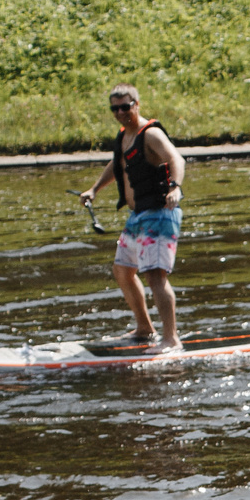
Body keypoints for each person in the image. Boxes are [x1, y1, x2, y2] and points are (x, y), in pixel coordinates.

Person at [78, 85, 186, 348]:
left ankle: (171, 339)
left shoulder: (151, 134)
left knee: (155, 276)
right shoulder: (125, 135)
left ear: (136, 104)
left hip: (159, 214)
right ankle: (144, 329)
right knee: (123, 271)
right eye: (115, 108)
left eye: (125, 106)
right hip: (137, 216)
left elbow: (176, 158)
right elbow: (118, 164)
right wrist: (94, 189)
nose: (120, 112)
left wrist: (175, 187)